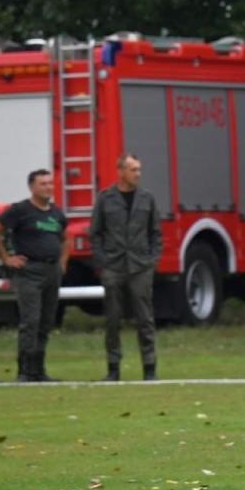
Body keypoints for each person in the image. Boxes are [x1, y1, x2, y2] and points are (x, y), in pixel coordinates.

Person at [91, 153, 163, 381]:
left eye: (139, 169)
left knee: (145, 318)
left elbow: (155, 233)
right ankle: (113, 368)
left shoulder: (147, 198)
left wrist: (152, 259)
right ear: (120, 171)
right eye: (133, 170)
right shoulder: (105, 198)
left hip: (140, 266)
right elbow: (96, 233)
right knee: (112, 319)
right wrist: (103, 260)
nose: (138, 174)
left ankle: (149, 368)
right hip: (114, 265)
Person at [0, 169, 71, 382]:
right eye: (42, 184)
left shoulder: (56, 213)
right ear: (32, 187)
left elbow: (66, 238)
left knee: (47, 321)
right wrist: (7, 257)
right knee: (31, 320)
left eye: (50, 183)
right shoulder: (21, 210)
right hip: (29, 271)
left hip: (51, 271)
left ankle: (39, 369)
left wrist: (62, 262)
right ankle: (25, 369)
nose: (48, 187)